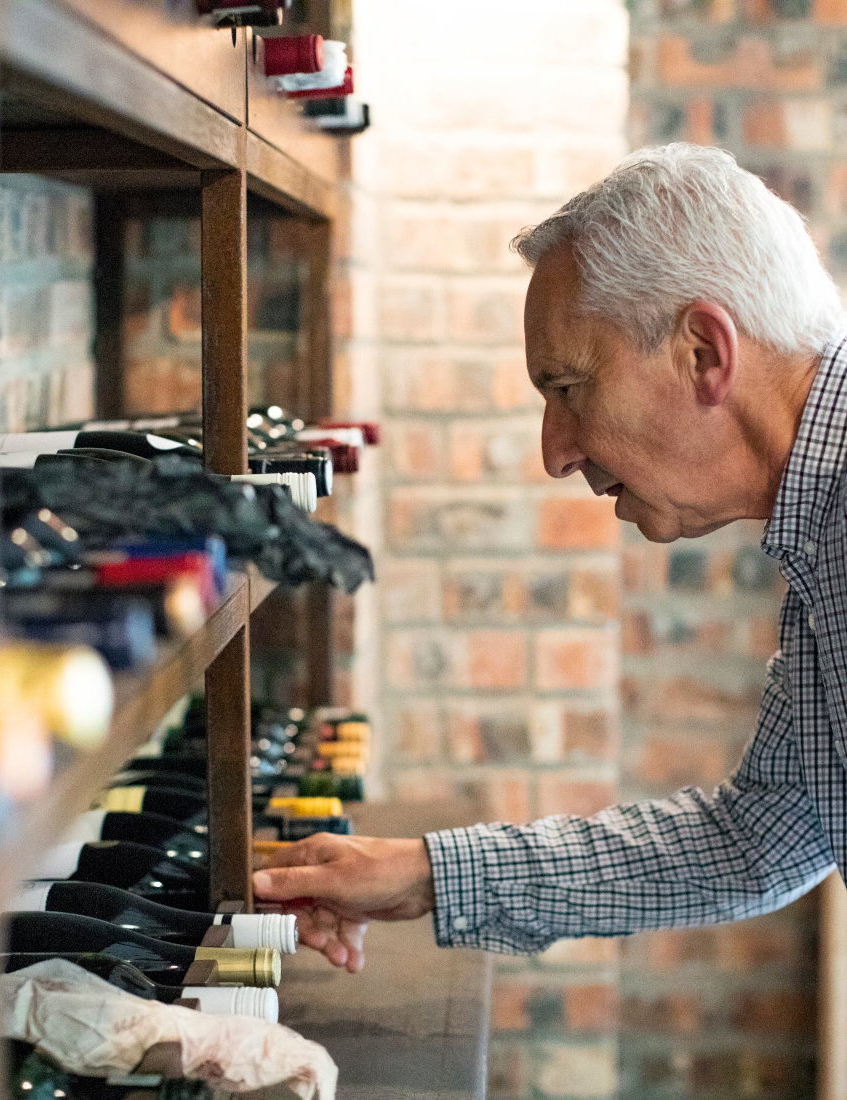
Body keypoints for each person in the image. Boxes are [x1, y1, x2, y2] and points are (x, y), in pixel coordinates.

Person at [253, 142, 847, 974]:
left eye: (567, 389)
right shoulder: (819, 526)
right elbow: (766, 834)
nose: (555, 454)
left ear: (705, 353)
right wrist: (429, 874)